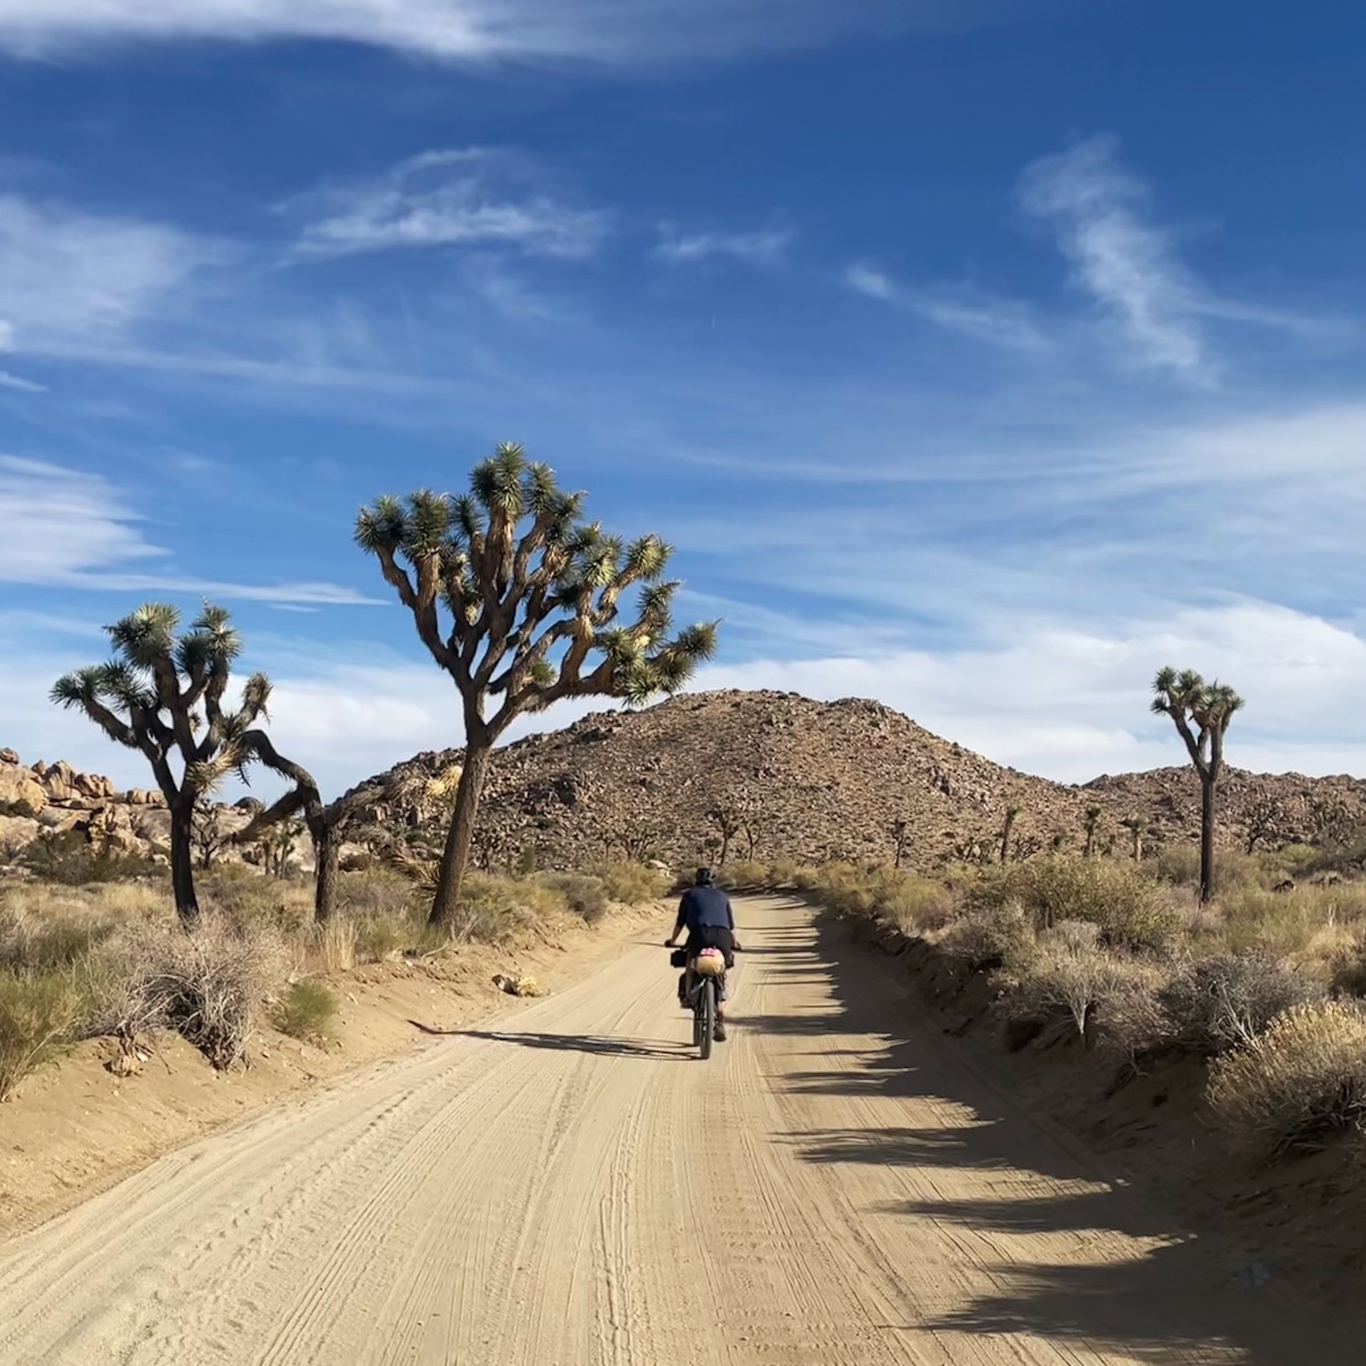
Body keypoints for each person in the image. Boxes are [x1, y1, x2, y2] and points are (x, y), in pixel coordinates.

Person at [664, 867, 738, 1041]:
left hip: (699, 934)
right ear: (714, 881)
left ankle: (689, 996)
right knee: (721, 970)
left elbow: (681, 921)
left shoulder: (689, 895)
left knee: (691, 961)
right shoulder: (722, 896)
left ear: (696, 880)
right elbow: (730, 926)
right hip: (723, 936)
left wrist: (673, 940)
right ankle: (719, 1016)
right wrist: (734, 944)